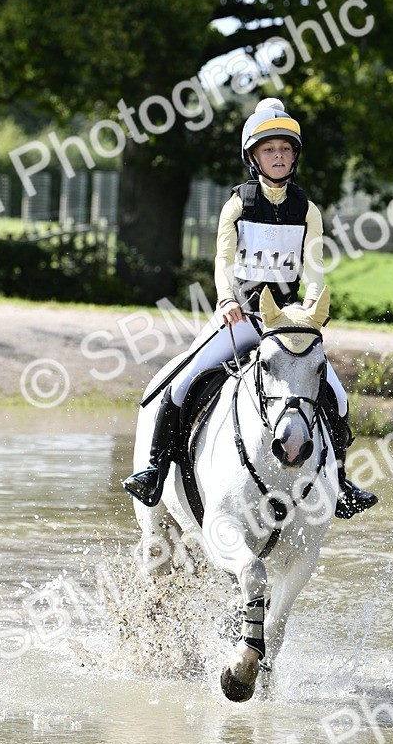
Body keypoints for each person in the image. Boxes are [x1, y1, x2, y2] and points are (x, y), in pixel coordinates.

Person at [123, 96, 377, 519]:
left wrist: (312, 303)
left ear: (294, 156)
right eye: (269, 150)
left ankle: (341, 481)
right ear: (254, 157)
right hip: (240, 317)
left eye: (285, 149)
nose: (278, 156)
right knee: (182, 385)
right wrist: (224, 299)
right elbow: (223, 261)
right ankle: (154, 471)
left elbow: (313, 265)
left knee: (337, 394)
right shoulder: (237, 205)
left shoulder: (307, 210)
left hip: (288, 325)